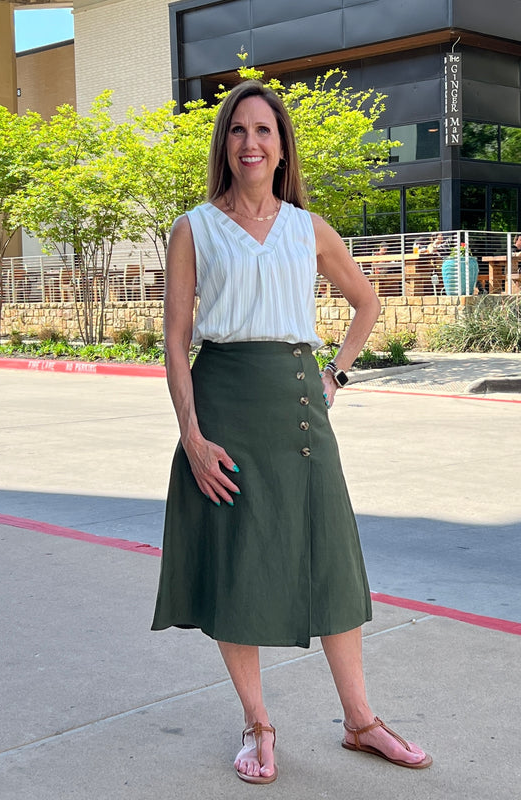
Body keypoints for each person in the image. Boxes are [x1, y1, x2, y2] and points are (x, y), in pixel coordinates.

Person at [151, 79, 432, 785]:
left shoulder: (309, 228)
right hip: (224, 409)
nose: (251, 142)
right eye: (239, 131)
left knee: (328, 556)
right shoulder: (194, 227)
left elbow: (366, 304)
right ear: (225, 145)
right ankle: (258, 724)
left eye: (264, 131)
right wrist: (191, 434)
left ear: (282, 148)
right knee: (239, 562)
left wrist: (335, 374)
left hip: (301, 406)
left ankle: (361, 721)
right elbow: (176, 339)